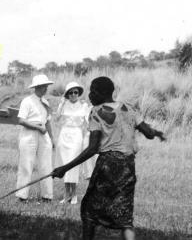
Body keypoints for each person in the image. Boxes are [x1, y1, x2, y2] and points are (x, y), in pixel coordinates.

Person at [52, 76, 166, 240]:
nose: (90, 95)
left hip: (108, 165)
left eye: (92, 91)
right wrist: (157, 133)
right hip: (128, 166)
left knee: (89, 211)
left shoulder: (96, 112)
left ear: (100, 93)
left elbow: (92, 149)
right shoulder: (129, 109)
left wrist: (65, 168)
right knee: (125, 215)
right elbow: (148, 133)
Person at [15, 74, 55, 203]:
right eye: (44, 86)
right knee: (26, 164)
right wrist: (37, 127)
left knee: (46, 165)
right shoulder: (27, 101)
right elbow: (21, 120)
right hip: (29, 135)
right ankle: (22, 195)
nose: (46, 89)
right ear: (37, 87)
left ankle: (47, 196)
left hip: (44, 135)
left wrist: (52, 138)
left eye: (46, 86)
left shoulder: (45, 102)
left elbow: (47, 122)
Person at [55, 81, 91, 204]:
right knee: (65, 164)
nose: (73, 95)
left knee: (73, 164)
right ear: (67, 94)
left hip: (76, 135)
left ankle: (74, 194)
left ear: (79, 93)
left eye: (76, 92)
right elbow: (57, 118)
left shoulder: (84, 106)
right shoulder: (63, 104)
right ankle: (66, 194)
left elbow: (88, 122)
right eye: (70, 93)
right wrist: (61, 103)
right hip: (64, 135)